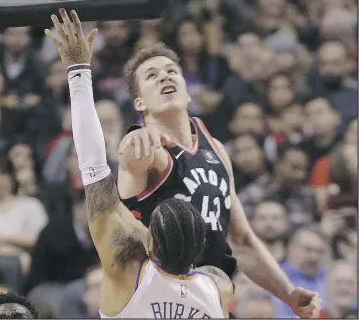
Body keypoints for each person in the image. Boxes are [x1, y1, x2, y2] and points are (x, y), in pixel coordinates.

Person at [45, 9, 234, 318]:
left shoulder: (127, 268)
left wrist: (78, 68)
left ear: (150, 242)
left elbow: (93, 167)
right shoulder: (218, 287)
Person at [115, 36, 321, 315]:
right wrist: (135, 135)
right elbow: (131, 157)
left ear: (187, 93)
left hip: (210, 298)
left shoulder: (217, 148)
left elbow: (242, 241)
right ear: (139, 102)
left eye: (171, 71)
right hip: (161, 303)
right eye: (152, 76)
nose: (164, 76)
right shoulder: (148, 150)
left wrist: (288, 293)